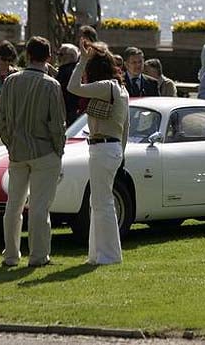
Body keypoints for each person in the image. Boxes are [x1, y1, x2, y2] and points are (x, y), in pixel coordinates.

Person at [0, 36, 66, 268]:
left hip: (18, 151)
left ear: (27, 55)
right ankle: (38, 256)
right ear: (48, 57)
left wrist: (11, 144)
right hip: (44, 151)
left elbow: (2, 120)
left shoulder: (10, 81)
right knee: (39, 207)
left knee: (13, 206)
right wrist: (60, 150)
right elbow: (57, 124)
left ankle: (11, 255)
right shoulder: (51, 85)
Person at [67, 39, 129, 265]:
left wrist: (81, 60)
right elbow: (126, 127)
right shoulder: (120, 89)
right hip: (110, 148)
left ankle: (109, 255)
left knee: (102, 203)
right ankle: (97, 254)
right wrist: (120, 154)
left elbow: (72, 87)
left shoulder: (105, 86)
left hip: (102, 148)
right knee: (99, 201)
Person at [55, 43, 81, 125]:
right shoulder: (74, 70)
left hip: (67, 112)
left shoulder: (67, 71)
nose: (58, 57)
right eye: (57, 54)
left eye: (61, 54)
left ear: (71, 56)